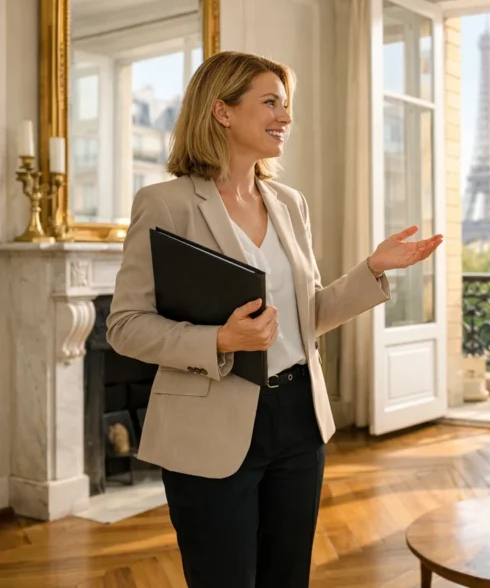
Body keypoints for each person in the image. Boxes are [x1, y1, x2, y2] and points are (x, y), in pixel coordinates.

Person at [106, 50, 442, 588]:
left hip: (298, 419)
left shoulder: (289, 202)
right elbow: (124, 326)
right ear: (221, 111)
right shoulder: (166, 203)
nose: (286, 117)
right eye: (270, 103)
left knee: (288, 577)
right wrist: (219, 338)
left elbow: (307, 317)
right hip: (209, 425)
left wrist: (373, 267)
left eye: (286, 105)